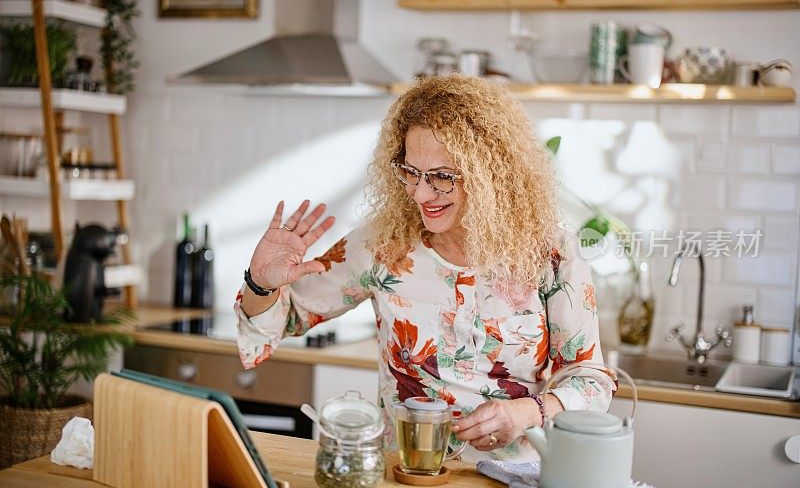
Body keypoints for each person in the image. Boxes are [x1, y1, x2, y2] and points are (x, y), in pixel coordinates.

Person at [236, 74, 615, 463]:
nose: (420, 193)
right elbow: (283, 320)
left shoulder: (552, 254)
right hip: (404, 476)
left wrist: (526, 413)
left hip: (512, 481)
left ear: (491, 175)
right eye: (411, 172)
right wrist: (261, 283)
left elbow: (591, 383)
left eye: (442, 177)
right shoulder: (382, 244)